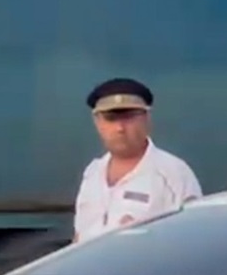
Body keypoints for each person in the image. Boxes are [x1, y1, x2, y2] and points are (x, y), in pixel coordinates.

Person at [72, 77, 202, 243]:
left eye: (129, 117)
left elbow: (193, 239)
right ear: (98, 122)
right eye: (111, 118)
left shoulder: (173, 174)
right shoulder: (93, 173)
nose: (120, 128)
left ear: (147, 119)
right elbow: (79, 236)